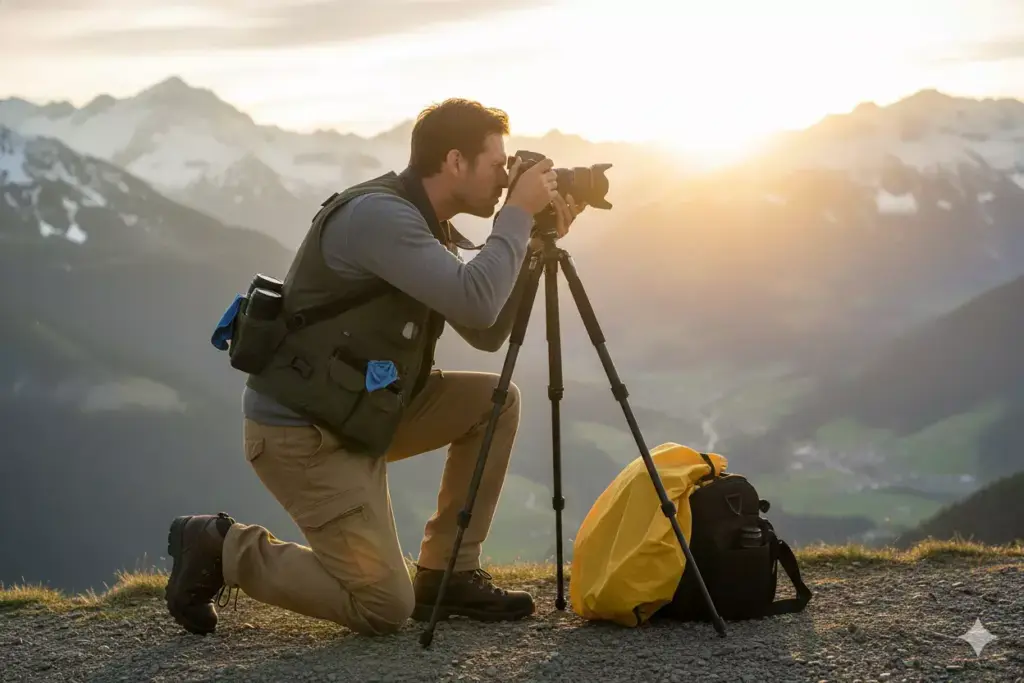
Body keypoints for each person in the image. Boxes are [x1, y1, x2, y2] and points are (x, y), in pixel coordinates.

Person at [164, 98, 585, 637]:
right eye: (498, 164)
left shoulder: (425, 222)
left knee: (494, 403)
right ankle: (220, 548)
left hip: (360, 410)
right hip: (304, 434)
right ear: (455, 161)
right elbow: (478, 302)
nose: (506, 178)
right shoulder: (379, 217)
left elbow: (483, 330)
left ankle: (449, 573)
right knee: (384, 606)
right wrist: (517, 217)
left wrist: (525, 244)